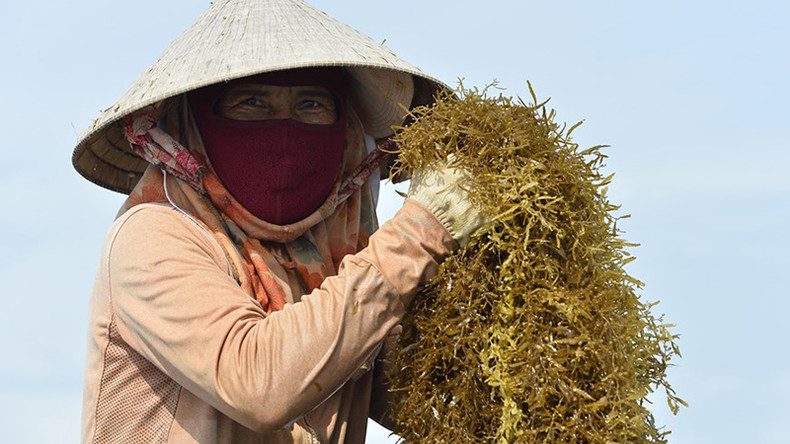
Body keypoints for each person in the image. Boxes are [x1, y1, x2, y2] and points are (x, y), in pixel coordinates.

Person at [73, 1, 485, 443]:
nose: (286, 131)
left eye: (311, 103)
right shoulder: (154, 236)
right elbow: (259, 383)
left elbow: (414, 392)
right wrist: (420, 233)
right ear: (193, 120)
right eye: (251, 102)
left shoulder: (340, 253)